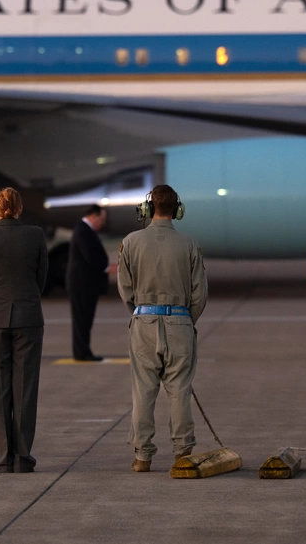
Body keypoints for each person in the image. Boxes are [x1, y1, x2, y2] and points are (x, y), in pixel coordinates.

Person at [117, 184, 207, 472]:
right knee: (179, 389)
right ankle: (182, 452)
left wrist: (141, 313)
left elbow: (125, 289)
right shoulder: (189, 244)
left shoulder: (131, 242)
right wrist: (184, 319)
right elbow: (199, 293)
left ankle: (143, 456)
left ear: (147, 209)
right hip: (180, 321)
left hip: (144, 321)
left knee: (143, 390)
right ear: (177, 210)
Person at [0, 187, 48, 473]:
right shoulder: (35, 235)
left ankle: (3, 457)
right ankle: (23, 456)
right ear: (19, 209)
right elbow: (42, 277)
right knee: (25, 388)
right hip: (28, 315)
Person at [67, 204, 111, 361]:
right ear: (93, 215)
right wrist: (107, 268)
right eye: (101, 219)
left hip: (85, 285)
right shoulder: (83, 231)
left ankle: (83, 351)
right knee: (82, 320)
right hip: (82, 285)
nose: (102, 223)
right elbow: (91, 257)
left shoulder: (84, 230)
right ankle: (82, 353)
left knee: (85, 319)